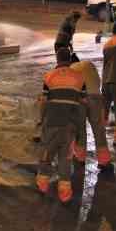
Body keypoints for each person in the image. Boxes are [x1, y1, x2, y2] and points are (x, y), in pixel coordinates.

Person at [36, 48, 86, 204]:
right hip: (70, 124)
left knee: (46, 153)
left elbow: (44, 102)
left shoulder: (49, 76)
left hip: (52, 122)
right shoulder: (79, 78)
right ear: (70, 60)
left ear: (57, 59)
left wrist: (40, 119)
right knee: (66, 157)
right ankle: (65, 191)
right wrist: (79, 126)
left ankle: (43, 184)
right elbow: (82, 103)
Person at [70, 54, 112, 172]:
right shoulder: (89, 64)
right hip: (95, 97)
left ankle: (80, 158)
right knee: (98, 129)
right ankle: (104, 160)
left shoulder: (71, 69)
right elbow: (98, 81)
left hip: (80, 98)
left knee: (80, 129)